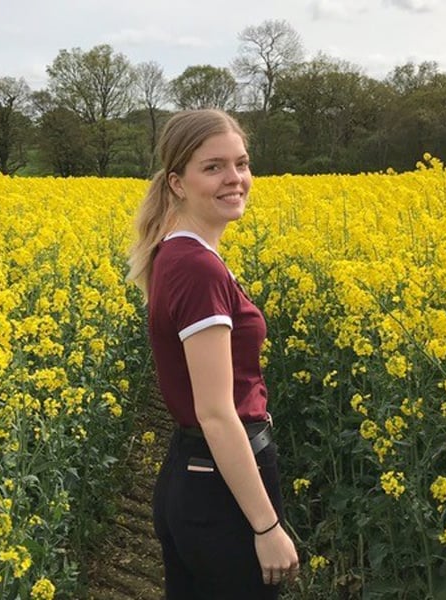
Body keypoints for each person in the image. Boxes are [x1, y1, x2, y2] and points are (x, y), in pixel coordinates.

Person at [127, 108, 299, 599]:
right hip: (221, 489)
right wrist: (266, 527)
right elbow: (217, 412)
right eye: (214, 167)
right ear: (177, 183)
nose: (235, 179)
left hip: (197, 476)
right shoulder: (197, 268)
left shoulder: (174, 254)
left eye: (241, 163)